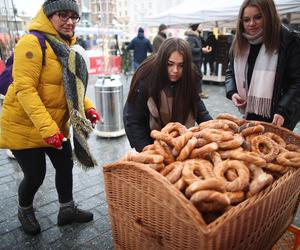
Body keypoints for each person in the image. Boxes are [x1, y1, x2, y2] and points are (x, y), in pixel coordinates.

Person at [0, 0, 101, 236]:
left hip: (54, 127)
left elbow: (72, 87)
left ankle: (67, 210)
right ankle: (24, 209)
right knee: (35, 176)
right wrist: (48, 130)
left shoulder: (65, 46)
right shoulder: (32, 42)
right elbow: (25, 89)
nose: (69, 22)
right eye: (62, 15)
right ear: (48, 16)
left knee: (65, 165)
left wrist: (87, 107)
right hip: (25, 127)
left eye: (72, 17)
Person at [123, 38, 212, 152]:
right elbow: (133, 119)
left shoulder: (188, 75)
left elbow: (198, 106)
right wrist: (146, 149)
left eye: (181, 65)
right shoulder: (145, 78)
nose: (175, 70)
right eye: (170, 64)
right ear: (162, 60)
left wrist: (212, 128)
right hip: (150, 140)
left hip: (179, 141)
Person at [225, 0, 300, 131]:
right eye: (246, 19)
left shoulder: (288, 40)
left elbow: (297, 82)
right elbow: (230, 71)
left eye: (258, 17)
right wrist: (232, 92)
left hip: (280, 117)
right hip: (250, 113)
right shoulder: (240, 41)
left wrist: (282, 110)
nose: (251, 24)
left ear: (269, 15)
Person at [185, 23, 211, 99]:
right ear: (196, 27)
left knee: (197, 76)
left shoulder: (196, 36)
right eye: (200, 26)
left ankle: (197, 92)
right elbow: (190, 49)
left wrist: (203, 50)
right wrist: (201, 49)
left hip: (197, 60)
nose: (202, 27)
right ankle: (196, 93)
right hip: (193, 61)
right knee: (197, 76)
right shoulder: (192, 37)